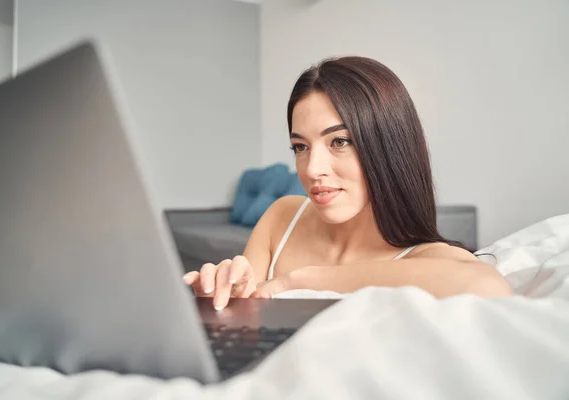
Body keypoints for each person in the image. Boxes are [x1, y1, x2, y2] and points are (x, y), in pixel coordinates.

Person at [183, 56, 512, 311]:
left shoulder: (425, 258)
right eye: (301, 146)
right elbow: (245, 312)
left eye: (339, 142)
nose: (312, 169)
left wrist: (302, 280)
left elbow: (487, 285)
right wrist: (222, 293)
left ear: (390, 146)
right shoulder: (282, 216)